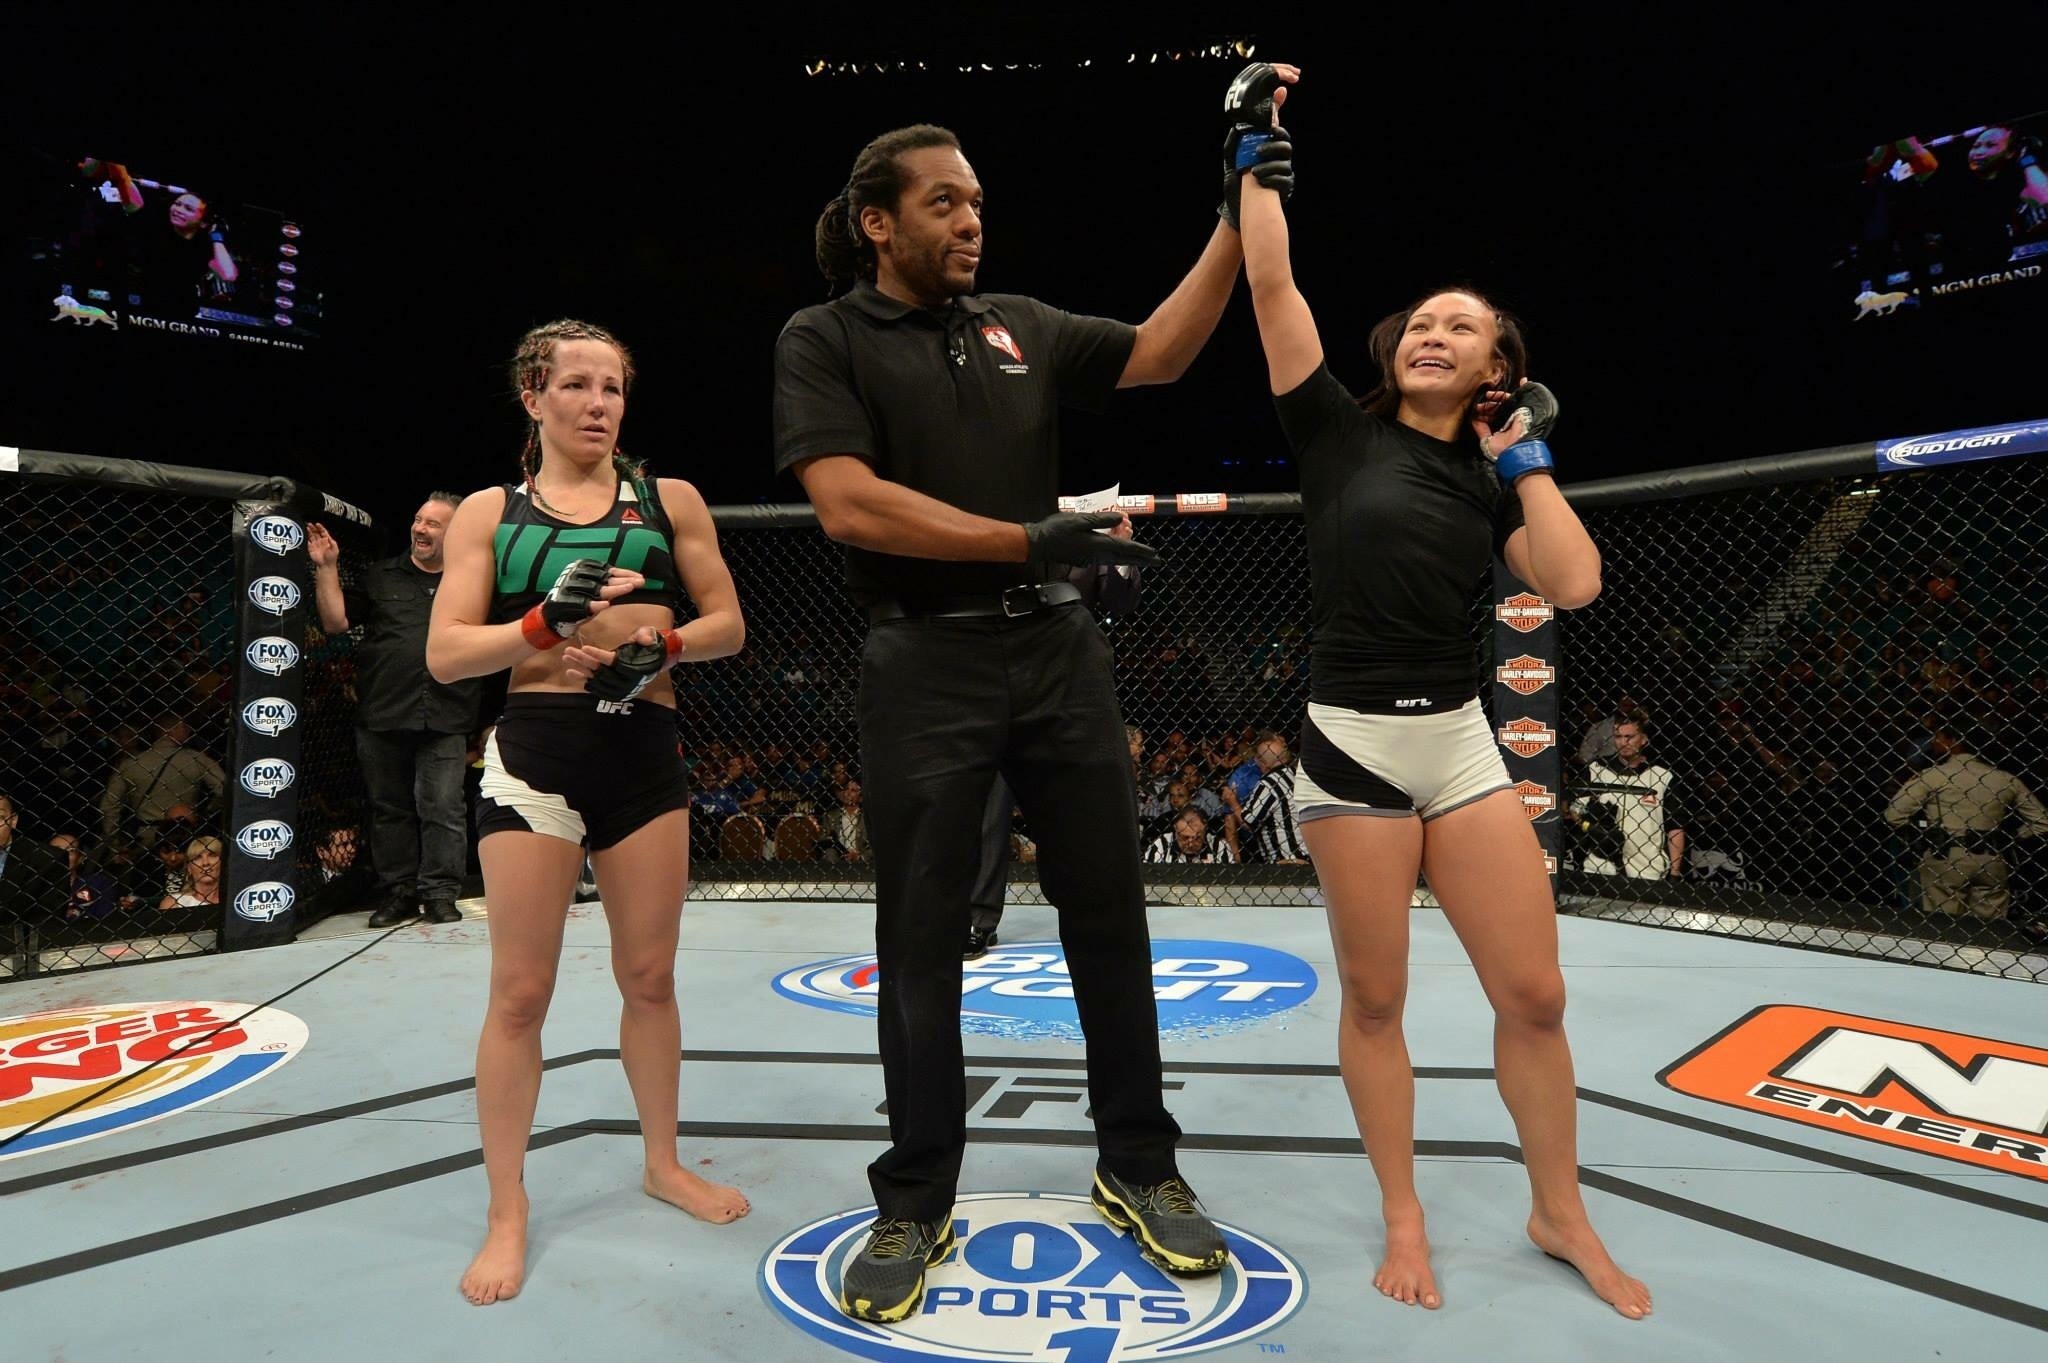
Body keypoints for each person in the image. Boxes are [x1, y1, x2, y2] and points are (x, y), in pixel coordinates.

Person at [773, 108, 1291, 1320]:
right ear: (876, 223)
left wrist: (1231, 213)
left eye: (976, 203)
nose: (971, 221)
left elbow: (1161, 350)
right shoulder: (823, 336)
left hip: (1056, 651)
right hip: (923, 655)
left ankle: (1139, 1165)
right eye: (944, 203)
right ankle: (913, 1197)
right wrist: (1026, 539)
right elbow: (847, 504)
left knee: (1108, 913)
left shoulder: (1016, 321)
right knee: (919, 935)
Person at [1232, 63, 1649, 1318]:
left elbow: (1571, 583)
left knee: (1533, 994)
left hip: (1460, 745)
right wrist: (1252, 151)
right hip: (1353, 748)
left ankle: (1557, 1209)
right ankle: (1403, 1215)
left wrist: (1524, 459)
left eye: (1460, 328)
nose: (1430, 331)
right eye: (1419, 320)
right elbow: (1271, 288)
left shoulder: (1492, 476)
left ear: (1496, 368)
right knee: (1376, 998)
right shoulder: (1334, 434)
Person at [426, 319, 751, 1306]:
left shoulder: (669, 498)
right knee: (520, 992)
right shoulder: (490, 512)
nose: (598, 403)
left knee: (649, 976)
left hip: (642, 750)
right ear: (533, 396)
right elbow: (447, 653)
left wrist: (664, 649)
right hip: (538, 752)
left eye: (611, 386)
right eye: (576, 384)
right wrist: (542, 623)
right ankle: (507, 1209)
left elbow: (728, 623)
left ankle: (663, 1162)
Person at [967, 530, 1144, 959]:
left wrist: (1117, 548)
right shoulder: (1012, 519)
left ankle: (1093, 916)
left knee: (1079, 806)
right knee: (990, 804)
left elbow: (1121, 601)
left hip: (1068, 677)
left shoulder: (1091, 528)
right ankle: (977, 919)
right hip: (1001, 663)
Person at [309, 495, 484, 926]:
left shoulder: (473, 581)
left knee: (443, 807)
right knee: (389, 810)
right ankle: (399, 893)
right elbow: (335, 622)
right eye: (418, 519)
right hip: (383, 711)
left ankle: (440, 894)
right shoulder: (381, 575)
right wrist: (327, 567)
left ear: (457, 533)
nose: (420, 528)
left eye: (433, 524)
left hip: (445, 713)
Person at [1884, 721, 2048, 920]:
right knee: (1990, 925)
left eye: (1938, 737)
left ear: (1953, 741)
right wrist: (2013, 836)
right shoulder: (2005, 779)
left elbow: (1894, 814)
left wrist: (1920, 836)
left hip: (1945, 853)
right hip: (1991, 856)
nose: (1933, 742)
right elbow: (2042, 821)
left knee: (1943, 922)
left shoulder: (1934, 776)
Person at [1572, 712, 1686, 880]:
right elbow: (1575, 809)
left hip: (1647, 870)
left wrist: (1675, 873)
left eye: (1629, 737)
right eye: (1618, 736)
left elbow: (1675, 827)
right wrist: (1590, 827)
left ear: (1644, 739)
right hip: (1600, 866)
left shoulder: (1661, 775)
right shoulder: (1597, 769)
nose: (1623, 742)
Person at [99, 716, 224, 859]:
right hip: (186, 833)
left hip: (145, 836)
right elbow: (223, 790)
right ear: (172, 730)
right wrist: (206, 812)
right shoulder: (197, 759)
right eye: (184, 727)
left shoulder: (131, 763)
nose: (189, 731)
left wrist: (115, 843)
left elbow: (109, 805)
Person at [161, 835, 223, 909]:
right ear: (189, 868)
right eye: (197, 857)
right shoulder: (173, 903)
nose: (205, 863)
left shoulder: (234, 901)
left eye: (212, 855)